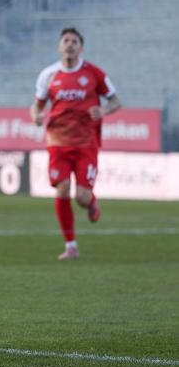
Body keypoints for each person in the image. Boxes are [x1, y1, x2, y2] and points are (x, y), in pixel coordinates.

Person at [30, 28, 121, 261]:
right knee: (61, 188)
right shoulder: (48, 75)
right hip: (58, 141)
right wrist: (36, 116)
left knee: (81, 196)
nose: (70, 45)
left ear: (81, 47)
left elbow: (116, 101)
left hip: (85, 142)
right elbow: (37, 106)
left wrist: (103, 110)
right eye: (66, 41)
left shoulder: (93, 73)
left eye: (74, 41)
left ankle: (91, 201)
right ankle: (71, 246)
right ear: (60, 46)